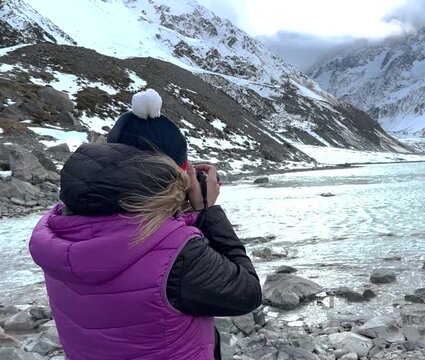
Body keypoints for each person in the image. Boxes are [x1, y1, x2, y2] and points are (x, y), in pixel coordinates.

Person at [29, 89, 261, 360]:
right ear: (180, 176)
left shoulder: (62, 224)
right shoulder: (180, 255)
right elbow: (247, 293)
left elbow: (127, 230)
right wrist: (207, 210)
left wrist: (179, 214)